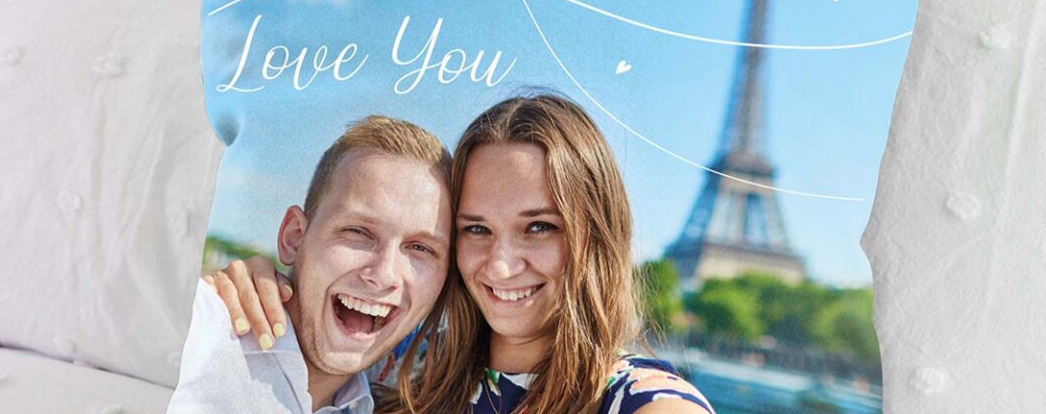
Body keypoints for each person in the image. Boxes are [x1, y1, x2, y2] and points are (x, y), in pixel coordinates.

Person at [212, 93, 713, 413]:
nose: (500, 264)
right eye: (476, 228)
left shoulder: (645, 403)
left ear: (596, 237)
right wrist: (249, 291)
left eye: (539, 227)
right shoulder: (399, 363)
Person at [170, 115, 455, 414]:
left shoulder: (394, 393)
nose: (384, 275)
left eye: (420, 248)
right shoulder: (201, 331)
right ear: (293, 238)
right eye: (357, 232)